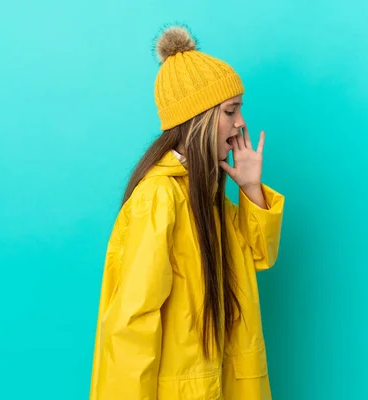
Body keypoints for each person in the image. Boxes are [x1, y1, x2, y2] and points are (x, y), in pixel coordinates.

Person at [89, 24, 285, 400]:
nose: (241, 122)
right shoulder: (160, 199)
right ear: (198, 119)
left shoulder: (207, 197)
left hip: (229, 384)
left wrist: (250, 189)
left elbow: (260, 255)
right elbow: (132, 326)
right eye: (230, 111)